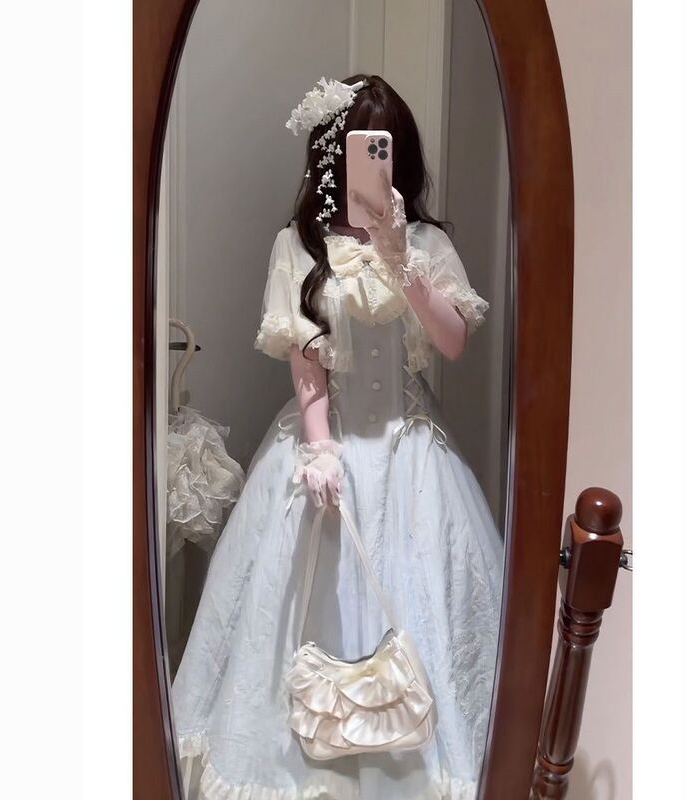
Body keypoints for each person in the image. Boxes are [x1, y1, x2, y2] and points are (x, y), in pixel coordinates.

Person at [173, 74, 504, 800]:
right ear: (332, 155)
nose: (375, 163)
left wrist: (402, 260)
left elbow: (452, 343)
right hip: (324, 441)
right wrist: (320, 449)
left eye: (384, 148)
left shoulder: (426, 242)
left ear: (399, 154)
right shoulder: (296, 245)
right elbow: (307, 363)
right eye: (358, 147)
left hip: (411, 454)